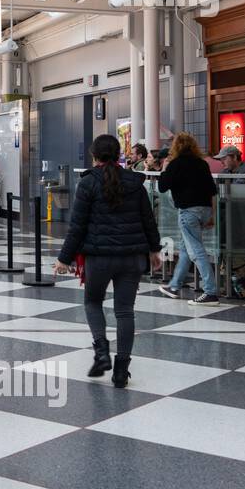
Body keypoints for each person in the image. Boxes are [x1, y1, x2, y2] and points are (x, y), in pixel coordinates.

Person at [54, 134, 163, 389]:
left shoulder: (88, 183)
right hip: (131, 258)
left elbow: (77, 226)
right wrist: (155, 250)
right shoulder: (136, 183)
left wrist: (64, 258)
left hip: (99, 259)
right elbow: (148, 219)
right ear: (119, 155)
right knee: (125, 311)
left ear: (94, 156)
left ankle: (101, 351)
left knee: (93, 303)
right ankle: (122, 370)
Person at [157, 132, 219, 305]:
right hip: (205, 208)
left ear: (176, 146)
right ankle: (174, 286)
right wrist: (211, 215)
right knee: (186, 249)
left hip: (188, 212)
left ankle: (210, 292)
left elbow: (162, 187)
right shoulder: (201, 164)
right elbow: (212, 191)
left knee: (196, 251)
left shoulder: (175, 164)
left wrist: (164, 169)